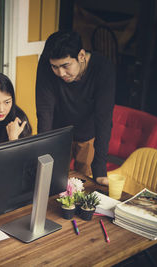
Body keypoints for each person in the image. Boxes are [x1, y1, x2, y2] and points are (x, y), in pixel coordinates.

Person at [36, 31, 115, 186]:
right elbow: (44, 111)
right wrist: (44, 156)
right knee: (53, 183)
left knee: (82, 186)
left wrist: (100, 170)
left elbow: (103, 118)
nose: (60, 73)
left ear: (81, 55)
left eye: (66, 66)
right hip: (58, 133)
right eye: (55, 67)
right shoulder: (46, 64)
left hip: (87, 134)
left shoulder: (103, 68)